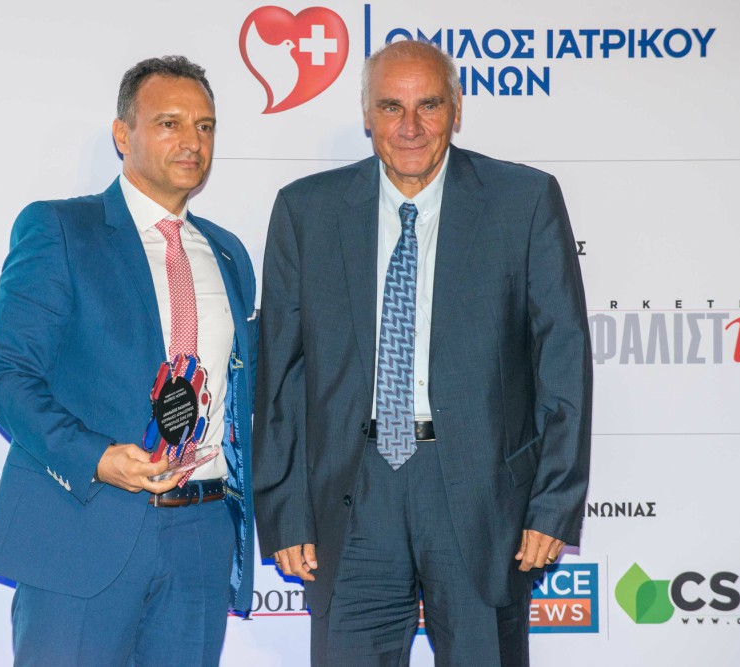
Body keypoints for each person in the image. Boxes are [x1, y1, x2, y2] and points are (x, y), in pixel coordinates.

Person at [253, 40, 592, 666]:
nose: (410, 126)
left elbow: (563, 362)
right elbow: (282, 376)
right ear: (367, 114)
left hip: (483, 499)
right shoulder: (306, 211)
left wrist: (553, 503)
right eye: (391, 107)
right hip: (352, 497)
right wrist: (285, 510)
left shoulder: (523, 201)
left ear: (456, 109)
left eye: (429, 105)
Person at [0, 55, 257, 666]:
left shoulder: (229, 253)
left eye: (205, 126)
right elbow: (7, 379)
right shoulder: (60, 228)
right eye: (169, 123)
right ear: (122, 135)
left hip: (201, 537)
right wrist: (98, 458)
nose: (192, 141)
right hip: (83, 526)